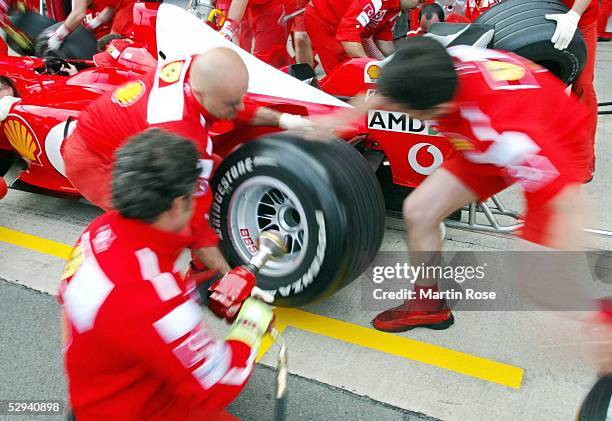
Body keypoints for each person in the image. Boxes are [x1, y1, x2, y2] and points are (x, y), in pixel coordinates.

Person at [327, 38, 593, 331]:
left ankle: (602, 319)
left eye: (408, 112)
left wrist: (558, 254)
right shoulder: (435, 62)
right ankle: (427, 305)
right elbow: (386, 93)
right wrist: (329, 123)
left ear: (438, 108)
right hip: (501, 120)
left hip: (554, 143)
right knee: (420, 211)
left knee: (538, 282)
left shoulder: (505, 136)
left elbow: (567, 204)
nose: (400, 113)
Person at [59, 128, 274, 420]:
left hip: (96, 391)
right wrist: (251, 327)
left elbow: (67, 305)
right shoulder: (155, 300)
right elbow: (221, 380)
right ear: (176, 204)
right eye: (194, 193)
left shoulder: (97, 233)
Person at [61, 47, 311, 279]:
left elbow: (230, 102)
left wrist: (286, 120)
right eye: (232, 103)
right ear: (200, 94)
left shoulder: (197, 68)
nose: (240, 106)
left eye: (240, 97)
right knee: (165, 226)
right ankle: (194, 281)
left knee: (220, 176)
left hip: (133, 135)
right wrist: (228, 277)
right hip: (96, 162)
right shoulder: (182, 136)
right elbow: (192, 221)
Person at [546, 0, 599, 181]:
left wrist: (574, 15)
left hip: (580, 19)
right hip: (541, 18)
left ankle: (584, 160)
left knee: (582, 85)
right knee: (543, 86)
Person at [304, 0, 424, 74]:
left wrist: (404, 60)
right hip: (324, 20)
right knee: (346, 76)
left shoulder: (396, 6)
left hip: (346, 26)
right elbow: (348, 36)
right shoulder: (377, 1)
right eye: (419, 1)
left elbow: (383, 39)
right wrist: (371, 68)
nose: (418, 7)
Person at [218, 0, 292, 68]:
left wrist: (229, 28)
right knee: (243, 51)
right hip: (252, 6)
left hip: (273, 5)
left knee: (265, 60)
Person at [46, 0, 136, 52]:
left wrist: (58, 35)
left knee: (113, 50)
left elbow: (78, 13)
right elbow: (109, 11)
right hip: (127, 8)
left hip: (129, 8)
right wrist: (92, 24)